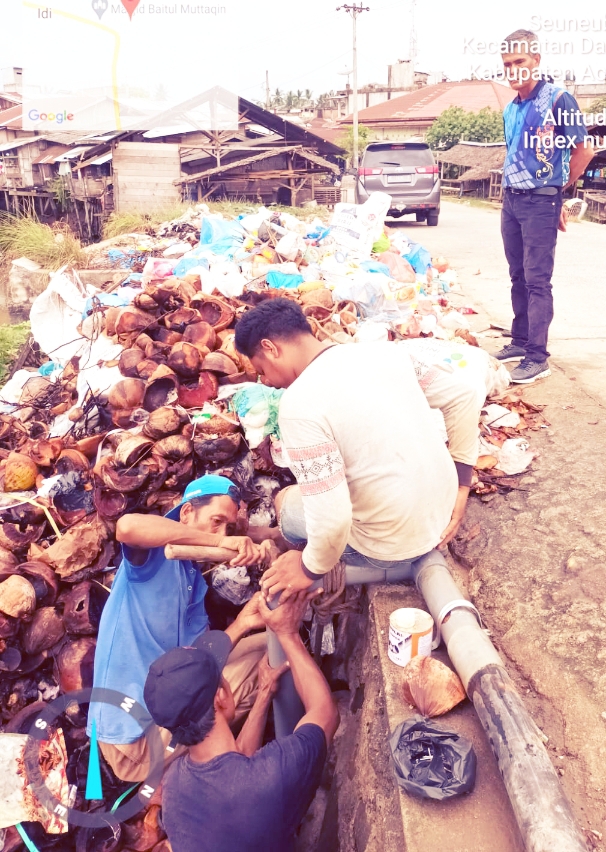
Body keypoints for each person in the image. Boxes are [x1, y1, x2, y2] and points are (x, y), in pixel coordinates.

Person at [234, 299, 480, 600]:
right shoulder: (387, 353)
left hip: (390, 548)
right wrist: (462, 486)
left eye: (261, 370)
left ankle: (286, 543)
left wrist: (308, 569)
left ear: (270, 348)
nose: (266, 382)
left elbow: (333, 518)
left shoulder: (298, 404)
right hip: (442, 514)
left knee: (284, 500)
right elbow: (465, 396)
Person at [88, 474, 271, 782]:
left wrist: (242, 623)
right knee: (267, 665)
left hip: (168, 705)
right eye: (216, 521)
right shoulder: (151, 559)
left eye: (228, 527)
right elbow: (127, 527)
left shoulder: (192, 583)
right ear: (187, 513)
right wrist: (218, 541)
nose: (222, 532)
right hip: (133, 739)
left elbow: (198, 660)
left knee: (267, 641)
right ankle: (194, 775)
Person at [144, 589, 339, 852]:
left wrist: (263, 694)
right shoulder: (273, 777)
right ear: (222, 695)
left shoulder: (175, 786)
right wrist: (288, 633)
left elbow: (238, 763)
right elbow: (326, 712)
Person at [494, 29, 594, 384]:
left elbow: (583, 151)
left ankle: (538, 357)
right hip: (512, 200)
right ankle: (520, 342)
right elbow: (514, 155)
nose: (514, 69)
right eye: (507, 64)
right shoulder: (511, 108)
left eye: (520, 61)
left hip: (540, 201)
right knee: (517, 275)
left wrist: (557, 193)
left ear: (536, 60)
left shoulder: (558, 100)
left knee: (538, 280)